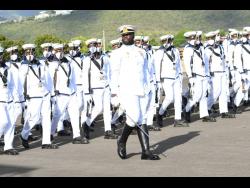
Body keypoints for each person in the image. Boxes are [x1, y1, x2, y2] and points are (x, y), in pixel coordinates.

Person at [110, 25, 160, 160]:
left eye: (129, 35)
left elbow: (145, 72)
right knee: (133, 117)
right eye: (124, 35)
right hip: (127, 90)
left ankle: (146, 151)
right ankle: (122, 140)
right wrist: (114, 93)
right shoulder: (116, 53)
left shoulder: (141, 52)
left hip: (142, 89)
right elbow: (114, 74)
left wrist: (149, 89)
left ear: (133, 36)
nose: (126, 37)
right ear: (121, 37)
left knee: (142, 118)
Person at [19, 44, 58, 149]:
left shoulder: (41, 63)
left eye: (31, 52)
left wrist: (52, 93)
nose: (30, 55)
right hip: (33, 96)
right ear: (24, 53)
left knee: (46, 118)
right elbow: (21, 83)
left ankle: (46, 142)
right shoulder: (23, 66)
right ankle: (24, 134)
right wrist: (22, 97)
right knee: (34, 118)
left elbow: (48, 79)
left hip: (45, 94)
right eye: (28, 53)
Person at [50, 44, 88, 144]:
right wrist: (53, 94)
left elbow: (73, 78)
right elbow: (50, 80)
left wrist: (75, 91)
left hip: (71, 93)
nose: (59, 52)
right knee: (57, 115)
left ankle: (77, 136)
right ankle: (50, 133)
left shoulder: (68, 62)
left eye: (61, 50)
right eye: (57, 50)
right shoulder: (52, 64)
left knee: (75, 114)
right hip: (60, 94)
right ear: (54, 51)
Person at [82, 38, 117, 139]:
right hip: (95, 88)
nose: (95, 47)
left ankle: (108, 130)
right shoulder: (87, 60)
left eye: (97, 45)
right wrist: (87, 92)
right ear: (89, 47)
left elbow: (109, 73)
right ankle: (86, 124)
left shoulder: (105, 58)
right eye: (92, 45)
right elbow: (85, 76)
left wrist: (111, 87)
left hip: (105, 87)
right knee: (98, 108)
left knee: (107, 109)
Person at [182, 31, 216, 123]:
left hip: (203, 74)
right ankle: (186, 110)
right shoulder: (188, 49)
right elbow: (187, 64)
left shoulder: (201, 47)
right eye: (192, 38)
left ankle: (204, 115)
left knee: (204, 95)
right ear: (188, 39)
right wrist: (190, 76)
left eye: (196, 38)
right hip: (195, 75)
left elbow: (205, 61)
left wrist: (207, 74)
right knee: (196, 96)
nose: (195, 40)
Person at [155, 34, 187, 127]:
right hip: (166, 77)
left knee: (178, 98)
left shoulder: (175, 50)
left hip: (176, 77)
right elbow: (157, 66)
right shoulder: (160, 52)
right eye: (166, 41)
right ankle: (160, 114)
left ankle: (178, 119)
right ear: (162, 42)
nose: (168, 43)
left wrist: (180, 74)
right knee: (170, 97)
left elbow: (178, 63)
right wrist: (158, 81)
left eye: (169, 41)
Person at [204, 31, 235, 118]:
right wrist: (208, 75)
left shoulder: (220, 47)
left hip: (222, 72)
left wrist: (225, 72)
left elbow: (223, 60)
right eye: (213, 37)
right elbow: (207, 64)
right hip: (214, 73)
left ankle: (224, 111)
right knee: (216, 92)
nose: (216, 38)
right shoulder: (207, 49)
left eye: (215, 36)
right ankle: (207, 108)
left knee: (224, 92)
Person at [0, 46, 21, 155]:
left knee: (11, 124)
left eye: (1, 54)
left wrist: (16, 100)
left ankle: (8, 146)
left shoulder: (8, 68)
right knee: (3, 122)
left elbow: (13, 86)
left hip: (9, 100)